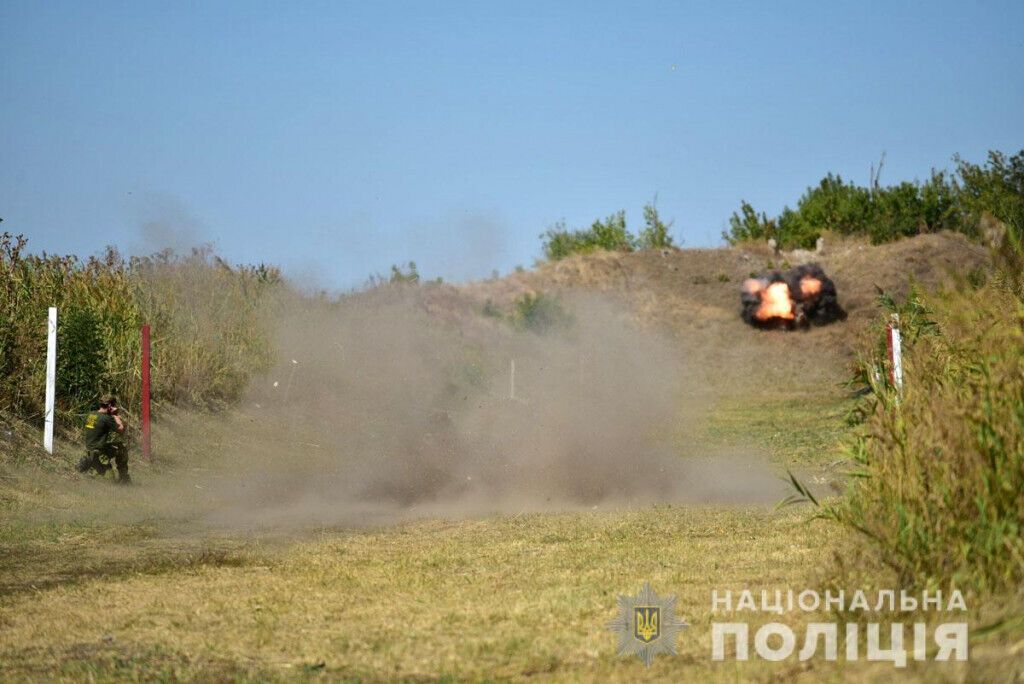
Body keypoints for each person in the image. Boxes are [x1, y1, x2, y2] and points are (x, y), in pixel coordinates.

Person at [77, 394, 130, 484]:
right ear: (110, 406)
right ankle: (94, 468)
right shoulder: (106, 418)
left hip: (91, 448)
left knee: (120, 448)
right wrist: (115, 415)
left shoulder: (91, 414)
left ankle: (92, 464)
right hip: (99, 452)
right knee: (110, 482)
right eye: (114, 405)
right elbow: (121, 430)